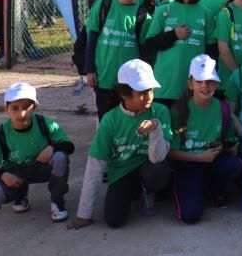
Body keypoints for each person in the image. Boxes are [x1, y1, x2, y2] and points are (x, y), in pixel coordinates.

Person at [68, 60, 172, 230]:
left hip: (150, 166)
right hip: (121, 171)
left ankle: (149, 192)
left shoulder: (160, 111)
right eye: (142, 93)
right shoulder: (110, 120)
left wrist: (156, 129)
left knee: (158, 172)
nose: (149, 98)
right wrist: (84, 214)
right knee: (114, 220)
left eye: (150, 91)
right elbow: (95, 165)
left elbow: (158, 157)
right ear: (124, 94)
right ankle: (135, 191)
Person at [0, 83, 74, 222]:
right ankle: (20, 195)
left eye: (26, 107)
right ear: (6, 109)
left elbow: (69, 146)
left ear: (34, 108)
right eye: (15, 108)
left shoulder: (45, 123)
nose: (21, 114)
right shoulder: (2, 133)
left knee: (60, 157)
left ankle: (57, 201)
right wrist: (3, 175)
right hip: (17, 173)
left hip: (43, 168)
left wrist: (52, 148)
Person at [169, 55, 242, 221]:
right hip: (189, 163)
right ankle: (189, 187)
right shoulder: (178, 111)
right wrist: (199, 157)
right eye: (199, 81)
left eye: (210, 81)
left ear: (217, 83)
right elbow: (171, 153)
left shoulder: (222, 108)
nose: (205, 86)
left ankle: (215, 188)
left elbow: (229, 142)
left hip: (212, 161)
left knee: (233, 165)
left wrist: (227, 147)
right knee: (191, 216)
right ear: (190, 83)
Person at [145, 0, 217, 108]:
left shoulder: (206, 13)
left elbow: (211, 50)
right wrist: (174, 35)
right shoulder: (164, 11)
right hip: (165, 85)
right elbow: (151, 43)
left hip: (194, 87)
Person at [85, 0, 152, 120]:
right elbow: (92, 39)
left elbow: (145, 50)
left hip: (130, 80)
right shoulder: (103, 6)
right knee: (105, 116)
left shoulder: (142, 15)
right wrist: (90, 70)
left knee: (129, 116)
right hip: (105, 76)